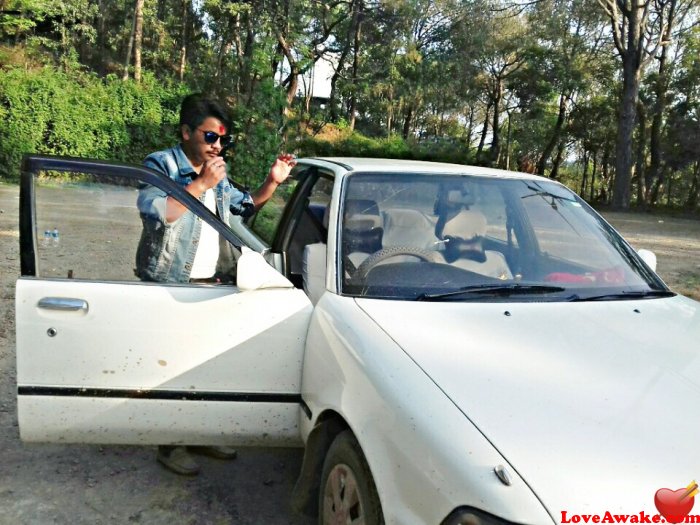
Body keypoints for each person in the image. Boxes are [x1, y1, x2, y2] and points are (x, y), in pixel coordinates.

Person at [135, 93, 297, 475]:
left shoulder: (217, 172)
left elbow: (245, 207)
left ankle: (200, 433)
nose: (218, 146)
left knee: (204, 366)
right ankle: (170, 444)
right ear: (186, 131)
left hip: (214, 284)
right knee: (171, 367)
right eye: (211, 137)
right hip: (171, 284)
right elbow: (159, 214)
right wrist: (201, 184)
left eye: (223, 140)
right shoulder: (163, 164)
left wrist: (271, 183)